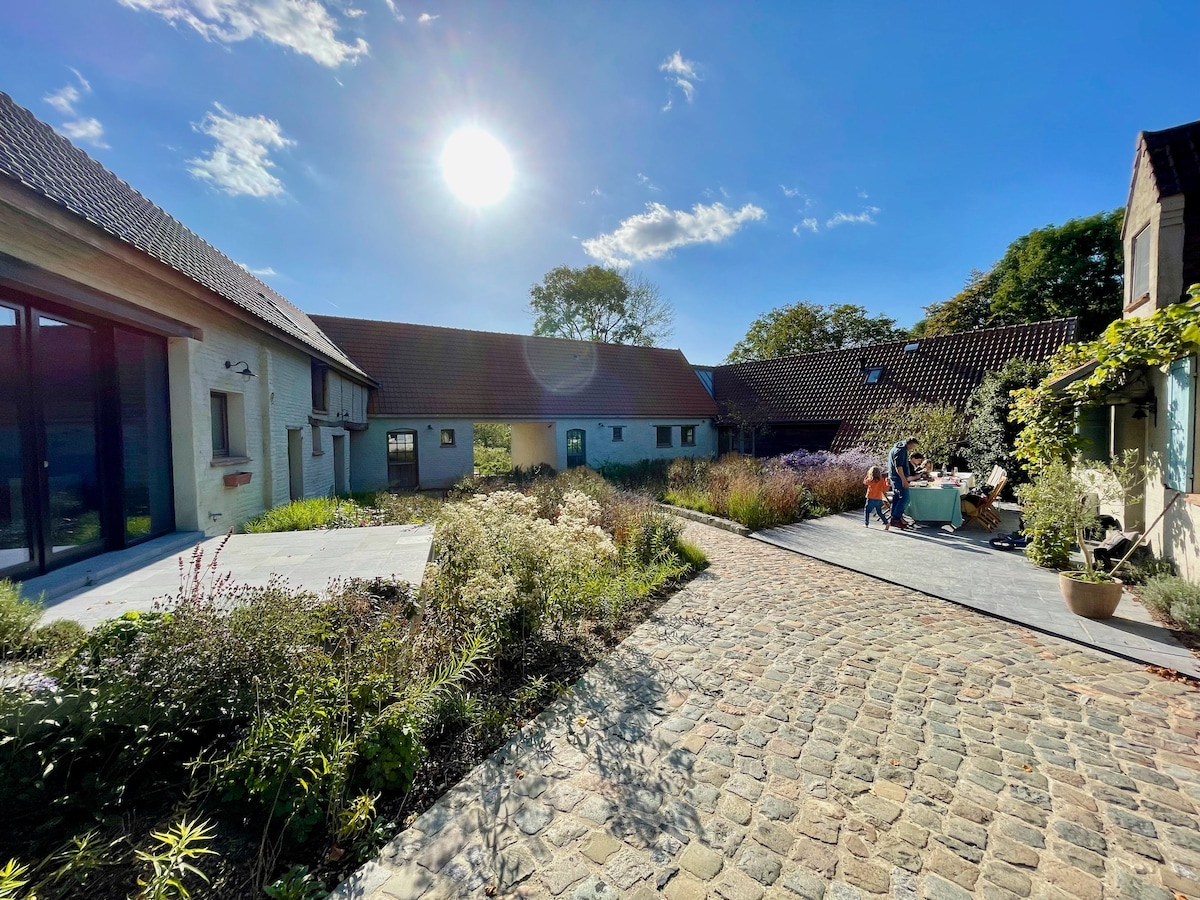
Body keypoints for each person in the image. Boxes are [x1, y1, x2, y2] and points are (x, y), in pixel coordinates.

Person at [888, 437, 918, 528]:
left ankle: (895, 518)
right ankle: (896, 518)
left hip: (895, 477)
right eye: (913, 446)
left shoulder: (896, 448)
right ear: (910, 444)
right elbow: (899, 466)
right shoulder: (901, 450)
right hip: (899, 478)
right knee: (905, 498)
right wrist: (904, 480)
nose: (912, 448)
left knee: (897, 498)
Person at [863, 465, 890, 529]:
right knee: (879, 512)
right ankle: (886, 523)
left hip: (871, 498)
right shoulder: (881, 480)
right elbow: (885, 489)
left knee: (866, 510)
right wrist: (887, 482)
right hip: (879, 498)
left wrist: (867, 476)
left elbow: (864, 482)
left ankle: (866, 523)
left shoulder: (870, 480)